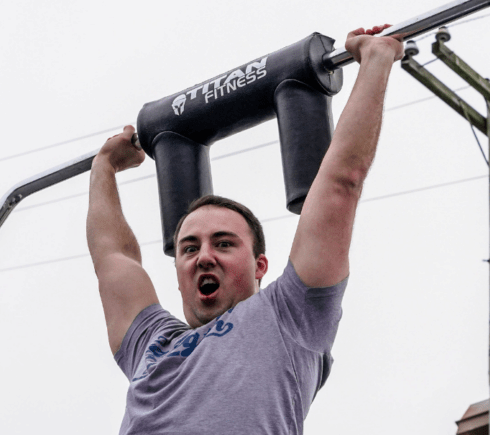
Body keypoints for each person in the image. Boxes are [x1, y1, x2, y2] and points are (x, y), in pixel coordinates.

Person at [87, 25, 404, 434]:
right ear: (179, 274)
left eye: (223, 243)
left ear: (259, 266)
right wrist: (103, 168)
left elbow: (340, 184)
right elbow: (112, 257)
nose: (203, 255)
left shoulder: (291, 315)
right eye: (189, 247)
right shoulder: (150, 343)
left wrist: (375, 59)